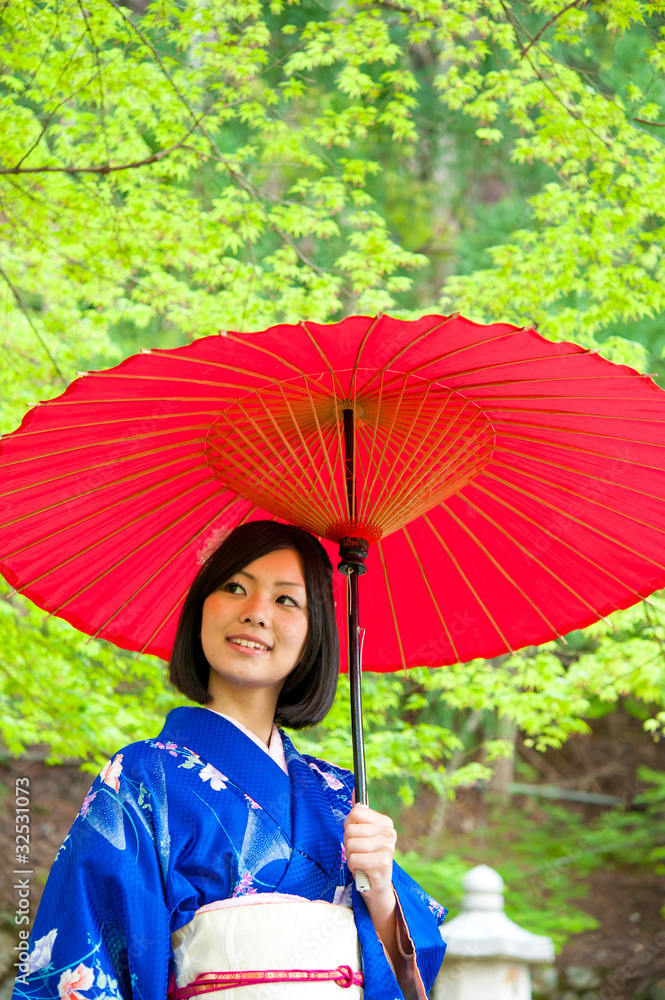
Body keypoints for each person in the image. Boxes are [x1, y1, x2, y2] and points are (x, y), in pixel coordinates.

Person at [13, 521, 447, 1000]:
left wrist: (381, 892)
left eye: (286, 600)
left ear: (314, 634)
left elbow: (411, 973)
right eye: (234, 587)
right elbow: (88, 949)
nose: (256, 612)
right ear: (202, 607)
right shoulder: (140, 780)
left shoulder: (341, 797)